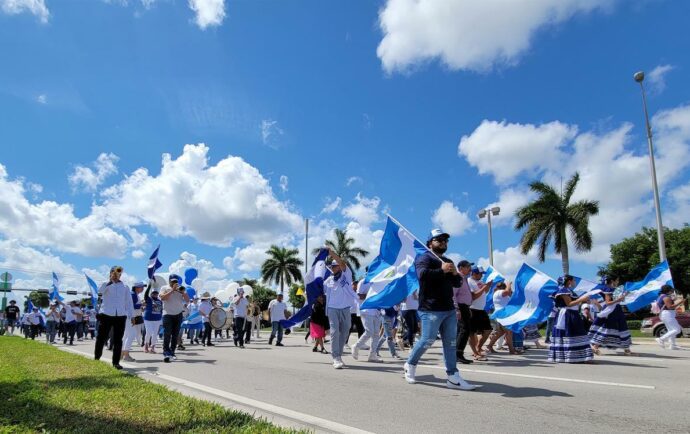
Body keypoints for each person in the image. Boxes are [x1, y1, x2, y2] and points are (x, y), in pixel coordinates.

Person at [404, 229, 478, 391]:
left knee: (450, 344)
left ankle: (453, 377)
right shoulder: (424, 258)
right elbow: (422, 275)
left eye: (445, 241)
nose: (443, 243)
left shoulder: (448, 261)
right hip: (430, 308)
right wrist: (442, 270)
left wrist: (455, 274)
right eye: (439, 240)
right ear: (430, 243)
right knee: (427, 340)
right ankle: (410, 364)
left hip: (449, 309)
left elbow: (457, 284)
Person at [94, 266, 134, 369]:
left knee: (118, 340)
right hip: (106, 314)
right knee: (101, 338)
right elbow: (99, 293)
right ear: (110, 273)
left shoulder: (125, 286)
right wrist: (109, 281)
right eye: (114, 272)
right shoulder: (105, 284)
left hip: (120, 315)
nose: (116, 274)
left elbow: (129, 302)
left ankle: (116, 362)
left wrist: (132, 315)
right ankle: (97, 358)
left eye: (118, 273)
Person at [324, 248, 357, 369]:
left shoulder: (346, 275)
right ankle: (336, 357)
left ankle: (339, 352)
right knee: (334, 331)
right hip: (332, 308)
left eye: (335, 266)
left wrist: (331, 252)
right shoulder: (328, 280)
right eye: (332, 266)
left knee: (346, 330)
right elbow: (320, 291)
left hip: (345, 308)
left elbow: (342, 263)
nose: (334, 268)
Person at [549, 275, 594, 363]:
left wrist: (583, 300)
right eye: (573, 280)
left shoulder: (568, 291)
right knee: (574, 333)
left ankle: (578, 356)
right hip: (568, 314)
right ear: (569, 281)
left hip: (572, 313)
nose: (574, 282)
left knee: (577, 333)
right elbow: (569, 304)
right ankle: (577, 357)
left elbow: (573, 303)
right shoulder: (563, 291)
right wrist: (582, 299)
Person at [589, 276, 633, 355]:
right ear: (612, 281)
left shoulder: (614, 290)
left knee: (622, 327)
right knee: (608, 328)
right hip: (611, 311)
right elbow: (608, 302)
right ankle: (595, 347)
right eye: (617, 280)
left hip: (617, 309)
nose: (618, 282)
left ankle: (627, 349)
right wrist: (618, 299)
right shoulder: (608, 289)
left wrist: (624, 296)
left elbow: (618, 300)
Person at [160, 274, 189, 363]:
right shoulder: (164, 288)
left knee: (175, 335)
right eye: (172, 281)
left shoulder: (180, 289)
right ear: (169, 281)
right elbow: (162, 298)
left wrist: (183, 292)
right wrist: (172, 290)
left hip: (178, 314)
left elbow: (187, 300)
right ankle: (166, 352)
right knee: (167, 333)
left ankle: (172, 352)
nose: (174, 283)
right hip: (167, 314)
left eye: (176, 281)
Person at [352, 279, 382, 362]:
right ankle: (356, 346)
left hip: (376, 311)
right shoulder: (363, 282)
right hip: (365, 310)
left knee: (376, 334)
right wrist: (371, 296)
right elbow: (358, 296)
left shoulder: (378, 281)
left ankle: (372, 355)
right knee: (369, 332)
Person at [468, 266, 493, 361]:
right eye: (480, 274)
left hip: (481, 310)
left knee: (488, 330)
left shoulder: (480, 282)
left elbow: (484, 292)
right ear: (474, 273)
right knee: (472, 332)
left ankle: (478, 347)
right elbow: (473, 296)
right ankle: (475, 352)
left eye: (482, 274)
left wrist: (488, 286)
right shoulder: (469, 282)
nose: (481, 276)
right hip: (472, 309)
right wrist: (484, 288)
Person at [485, 282, 516, 354]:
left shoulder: (499, 293)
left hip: (501, 314)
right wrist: (509, 284)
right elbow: (508, 292)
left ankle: (489, 346)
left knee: (500, 332)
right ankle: (512, 350)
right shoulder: (499, 292)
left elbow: (509, 294)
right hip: (502, 314)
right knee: (509, 332)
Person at [454, 260, 474, 364]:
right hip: (460, 307)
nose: (470, 268)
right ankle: (458, 354)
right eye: (467, 266)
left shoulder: (464, 279)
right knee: (464, 330)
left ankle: (458, 354)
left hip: (464, 307)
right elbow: (453, 294)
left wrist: (468, 308)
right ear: (461, 268)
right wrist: (457, 309)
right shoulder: (458, 278)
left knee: (464, 330)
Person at [655, 285, 685, 350]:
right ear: (668, 290)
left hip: (665, 314)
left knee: (671, 330)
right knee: (677, 329)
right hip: (667, 314)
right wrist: (680, 302)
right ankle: (661, 339)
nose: (672, 291)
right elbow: (670, 307)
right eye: (671, 290)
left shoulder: (661, 296)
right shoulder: (666, 297)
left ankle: (672, 345)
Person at [122, 282, 145, 362]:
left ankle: (122, 353)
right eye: (141, 287)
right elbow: (131, 306)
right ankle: (126, 354)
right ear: (136, 287)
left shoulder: (134, 294)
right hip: (129, 317)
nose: (143, 288)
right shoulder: (133, 294)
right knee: (132, 334)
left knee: (126, 335)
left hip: (129, 316)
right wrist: (141, 305)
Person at [143, 283, 163, 353]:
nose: (155, 294)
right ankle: (146, 345)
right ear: (151, 294)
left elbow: (161, 309)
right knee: (148, 332)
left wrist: (161, 317)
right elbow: (145, 294)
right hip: (148, 319)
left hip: (157, 319)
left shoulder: (160, 301)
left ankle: (153, 347)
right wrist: (149, 287)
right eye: (154, 293)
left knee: (155, 334)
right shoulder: (149, 299)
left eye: (156, 293)